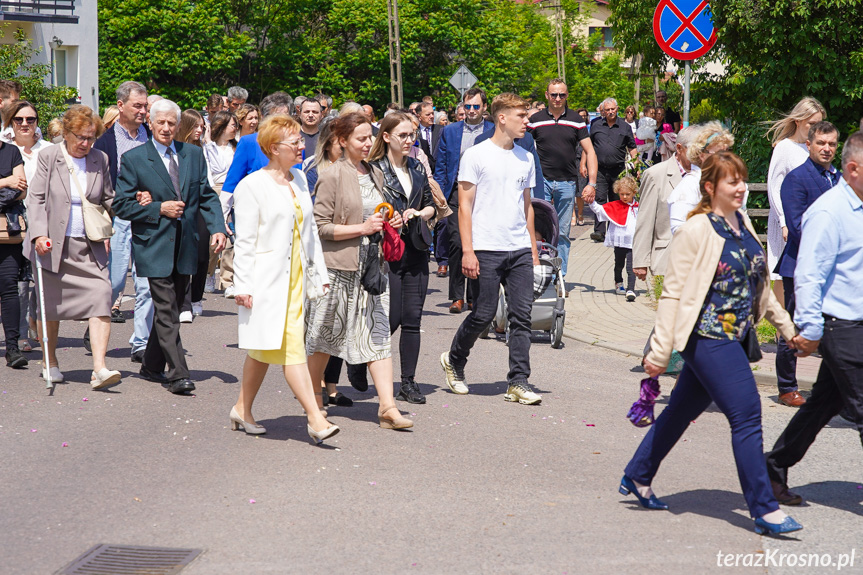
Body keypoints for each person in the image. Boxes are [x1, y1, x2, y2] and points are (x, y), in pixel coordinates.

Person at [623, 151, 804, 536]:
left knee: (680, 410)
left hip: (736, 338)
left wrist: (788, 330)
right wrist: (658, 351)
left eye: (742, 180)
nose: (741, 188)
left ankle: (637, 475)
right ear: (710, 187)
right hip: (706, 337)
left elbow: (760, 288)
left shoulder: (741, 224)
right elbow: (672, 294)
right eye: (732, 182)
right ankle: (764, 508)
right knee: (747, 414)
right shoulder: (696, 230)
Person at [765, 131, 863, 507]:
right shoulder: (828, 211)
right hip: (842, 325)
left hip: (857, 323)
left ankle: (772, 467)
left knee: (823, 404)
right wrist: (810, 328)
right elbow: (809, 273)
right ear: (853, 169)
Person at [229, 113, 338, 443]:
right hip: (266, 281)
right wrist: (242, 285)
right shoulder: (252, 186)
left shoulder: (300, 181)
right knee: (291, 349)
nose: (302, 146)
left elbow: (309, 234)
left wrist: (319, 274)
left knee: (264, 349)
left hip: (296, 280)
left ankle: (241, 409)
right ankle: (315, 417)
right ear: (274, 148)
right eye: (295, 142)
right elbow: (245, 241)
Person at [305, 112, 413, 430]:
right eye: (361, 138)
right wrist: (361, 228)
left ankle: (387, 408)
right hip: (338, 268)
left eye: (370, 137)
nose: (368, 143)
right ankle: (311, 400)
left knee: (378, 337)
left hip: (372, 269)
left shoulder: (375, 173)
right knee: (325, 339)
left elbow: (377, 212)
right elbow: (320, 226)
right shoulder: (332, 175)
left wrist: (391, 220)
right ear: (342, 141)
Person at [112, 99, 227, 395]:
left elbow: (205, 195)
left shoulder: (192, 154)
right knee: (165, 309)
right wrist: (158, 209)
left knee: (173, 309)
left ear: (178, 125)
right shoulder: (136, 158)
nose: (165, 128)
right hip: (153, 245)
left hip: (186, 244)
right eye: (160, 122)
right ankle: (178, 373)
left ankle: (151, 365)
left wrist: (217, 228)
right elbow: (121, 205)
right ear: (150, 122)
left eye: (171, 123)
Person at [439, 93, 541, 405]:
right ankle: (454, 360)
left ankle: (518, 381)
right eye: (521, 115)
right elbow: (464, 207)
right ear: (502, 118)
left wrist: (534, 252)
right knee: (483, 314)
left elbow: (528, 206)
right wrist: (468, 251)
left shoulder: (525, 157)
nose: (527, 121)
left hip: (519, 248)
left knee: (522, 315)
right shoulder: (476, 155)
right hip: (485, 247)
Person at [24, 105, 122, 389]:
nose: (86, 143)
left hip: (88, 245)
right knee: (50, 308)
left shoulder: (99, 158)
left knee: (102, 295)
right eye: (80, 137)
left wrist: (131, 207)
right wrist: (39, 234)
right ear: (65, 133)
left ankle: (100, 368)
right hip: (52, 246)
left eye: (91, 137)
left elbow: (107, 197)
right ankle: (50, 362)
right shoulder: (48, 156)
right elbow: (36, 199)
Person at [368, 112, 436, 404]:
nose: (410, 141)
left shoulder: (418, 169)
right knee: (391, 316)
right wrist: (387, 217)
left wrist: (418, 212)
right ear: (386, 137)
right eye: (403, 135)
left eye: (413, 135)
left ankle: (408, 382)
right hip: (386, 252)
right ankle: (359, 362)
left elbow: (432, 206)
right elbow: (366, 207)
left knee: (412, 318)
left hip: (416, 250)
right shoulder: (373, 170)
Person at [773, 121, 840, 408]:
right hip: (800, 265)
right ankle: (787, 387)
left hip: (834, 268)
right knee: (794, 328)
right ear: (809, 145)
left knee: (835, 328)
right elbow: (798, 225)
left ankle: (835, 389)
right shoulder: (797, 179)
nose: (826, 149)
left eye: (832, 144)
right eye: (821, 143)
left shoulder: (837, 178)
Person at [93, 81, 153, 364]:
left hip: (148, 219)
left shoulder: (151, 137)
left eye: (145, 106)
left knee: (146, 284)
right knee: (114, 281)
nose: (143, 111)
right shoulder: (104, 144)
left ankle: (140, 343)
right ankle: (97, 326)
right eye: (137, 106)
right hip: (117, 219)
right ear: (120, 106)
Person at [221, 92, 294, 299]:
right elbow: (232, 181)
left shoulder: (295, 146)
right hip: (257, 214)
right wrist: (222, 216)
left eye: (286, 118)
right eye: (276, 118)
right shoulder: (250, 142)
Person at [528, 78, 598, 278]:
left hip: (567, 182)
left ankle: (560, 276)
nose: (558, 98)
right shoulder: (536, 120)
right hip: (540, 182)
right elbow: (522, 148)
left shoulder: (576, 120)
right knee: (535, 227)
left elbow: (590, 151)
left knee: (563, 232)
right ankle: (537, 272)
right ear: (547, 96)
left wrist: (592, 184)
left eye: (562, 95)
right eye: (554, 94)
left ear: (567, 96)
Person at [765, 97, 825, 313]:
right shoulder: (784, 148)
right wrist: (783, 221)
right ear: (798, 121)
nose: (815, 128)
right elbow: (774, 186)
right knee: (784, 273)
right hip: (789, 221)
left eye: (819, 124)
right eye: (811, 124)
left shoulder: (814, 147)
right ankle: (783, 331)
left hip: (812, 220)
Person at [6, 100, 53, 352]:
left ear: (37, 123)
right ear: (11, 123)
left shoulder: (49, 150)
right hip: (15, 223)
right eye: (19, 120)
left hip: (44, 221)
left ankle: (35, 318)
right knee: (20, 281)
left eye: (30, 120)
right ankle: (22, 333)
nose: (25, 124)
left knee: (44, 278)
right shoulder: (7, 150)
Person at [632, 125, 698, 282]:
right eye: (695, 150)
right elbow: (645, 219)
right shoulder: (656, 175)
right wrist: (641, 261)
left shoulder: (706, 174)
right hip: (667, 259)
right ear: (680, 148)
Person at [667, 121, 735, 234]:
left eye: (727, 152)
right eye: (718, 153)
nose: (725, 158)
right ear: (701, 155)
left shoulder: (732, 184)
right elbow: (679, 231)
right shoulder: (689, 186)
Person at [175, 109, 210, 322]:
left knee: (202, 255)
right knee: (184, 253)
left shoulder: (202, 149)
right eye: (195, 126)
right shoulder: (177, 150)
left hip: (201, 205)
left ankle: (196, 297)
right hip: (183, 206)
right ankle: (185, 303)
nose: (199, 130)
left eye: (202, 127)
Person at [0, 118, 28, 368]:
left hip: (7, 231)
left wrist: (12, 186)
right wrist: (5, 182)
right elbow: (13, 184)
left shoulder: (11, 151)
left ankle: (12, 348)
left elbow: (22, 189)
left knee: (9, 287)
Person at [589, 98, 637, 242]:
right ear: (603, 110)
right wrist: (584, 164)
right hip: (600, 169)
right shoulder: (596, 125)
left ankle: (615, 228)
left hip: (618, 169)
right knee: (600, 198)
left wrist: (636, 165)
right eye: (607, 110)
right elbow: (588, 147)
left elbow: (632, 147)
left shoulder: (625, 127)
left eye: (613, 109)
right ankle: (599, 231)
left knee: (617, 199)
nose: (610, 112)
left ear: (617, 109)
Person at [203, 111, 238, 292]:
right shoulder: (208, 148)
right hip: (216, 190)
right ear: (222, 127)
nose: (236, 129)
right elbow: (217, 169)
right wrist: (209, 143)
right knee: (215, 237)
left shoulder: (237, 147)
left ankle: (227, 281)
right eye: (233, 125)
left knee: (232, 237)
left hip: (236, 191)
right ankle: (208, 275)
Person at [589, 176, 638, 301]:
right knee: (619, 264)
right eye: (622, 194)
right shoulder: (615, 205)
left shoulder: (638, 207)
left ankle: (631, 289)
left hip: (633, 242)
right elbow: (600, 210)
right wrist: (591, 201)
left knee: (631, 266)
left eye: (628, 194)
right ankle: (619, 282)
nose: (625, 197)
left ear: (634, 192)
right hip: (620, 242)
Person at [417, 102, 442, 167]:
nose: (432, 116)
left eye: (432, 113)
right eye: (428, 114)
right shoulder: (414, 131)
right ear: (419, 117)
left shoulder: (442, 130)